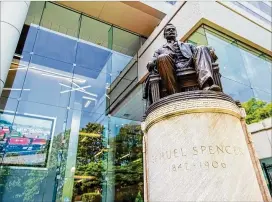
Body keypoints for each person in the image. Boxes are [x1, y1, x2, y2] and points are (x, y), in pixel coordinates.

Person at [146, 23, 221, 96]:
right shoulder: (160, 50)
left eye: (173, 29)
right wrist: (151, 62)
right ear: (165, 35)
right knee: (162, 57)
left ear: (176, 33)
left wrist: (210, 50)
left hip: (189, 63)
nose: (171, 31)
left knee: (201, 48)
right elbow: (153, 61)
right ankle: (174, 93)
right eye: (168, 30)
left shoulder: (188, 45)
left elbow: (200, 54)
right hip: (172, 67)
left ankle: (206, 86)